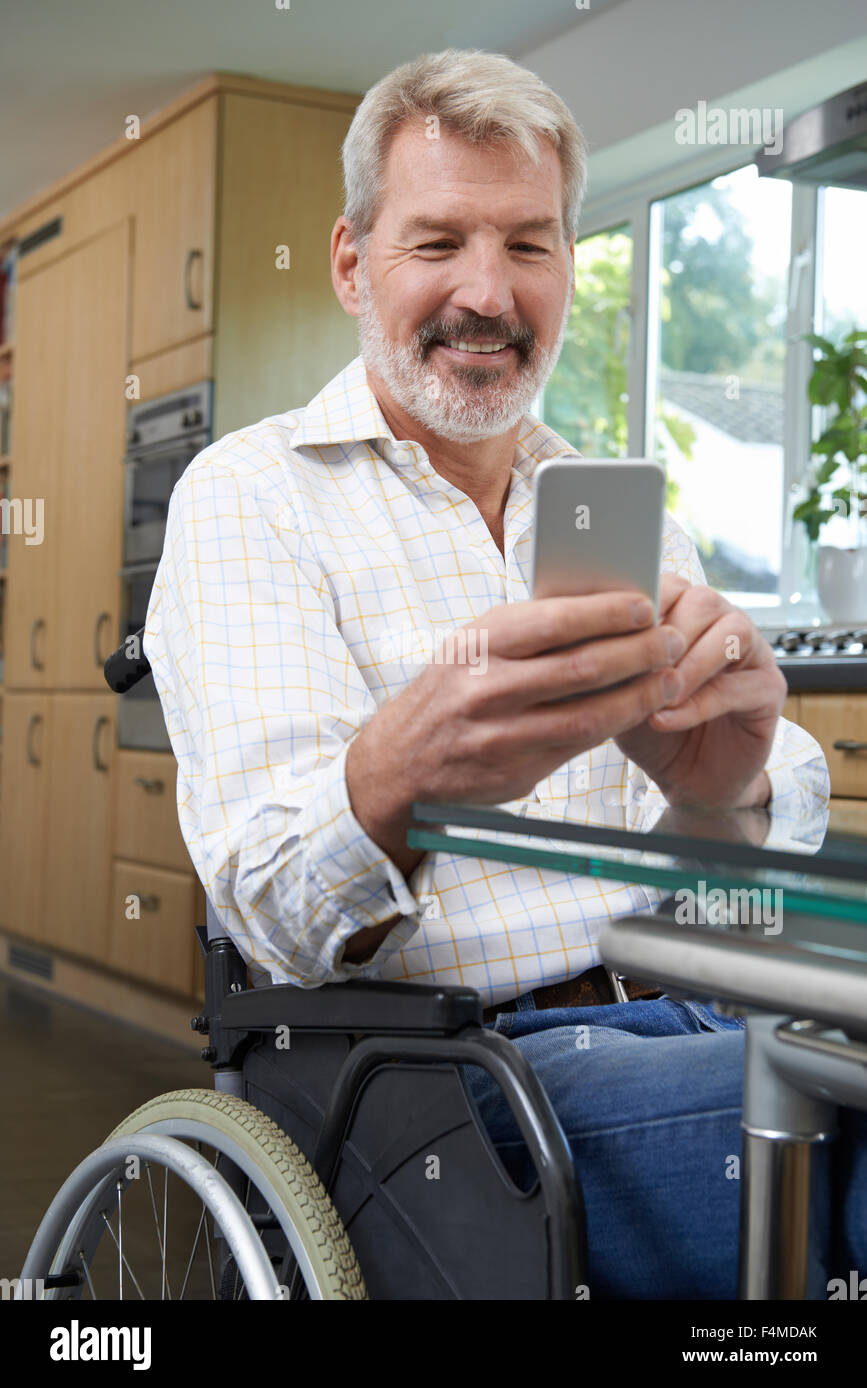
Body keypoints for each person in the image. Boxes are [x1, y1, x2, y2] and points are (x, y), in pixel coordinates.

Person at [143, 48, 865, 1298]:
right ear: (351, 263)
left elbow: (722, 905)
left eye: (529, 245)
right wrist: (395, 780)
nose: (489, 291)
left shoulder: (611, 509)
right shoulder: (251, 498)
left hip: (694, 1016)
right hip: (463, 1084)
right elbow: (266, 904)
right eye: (439, 243)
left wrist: (722, 798)